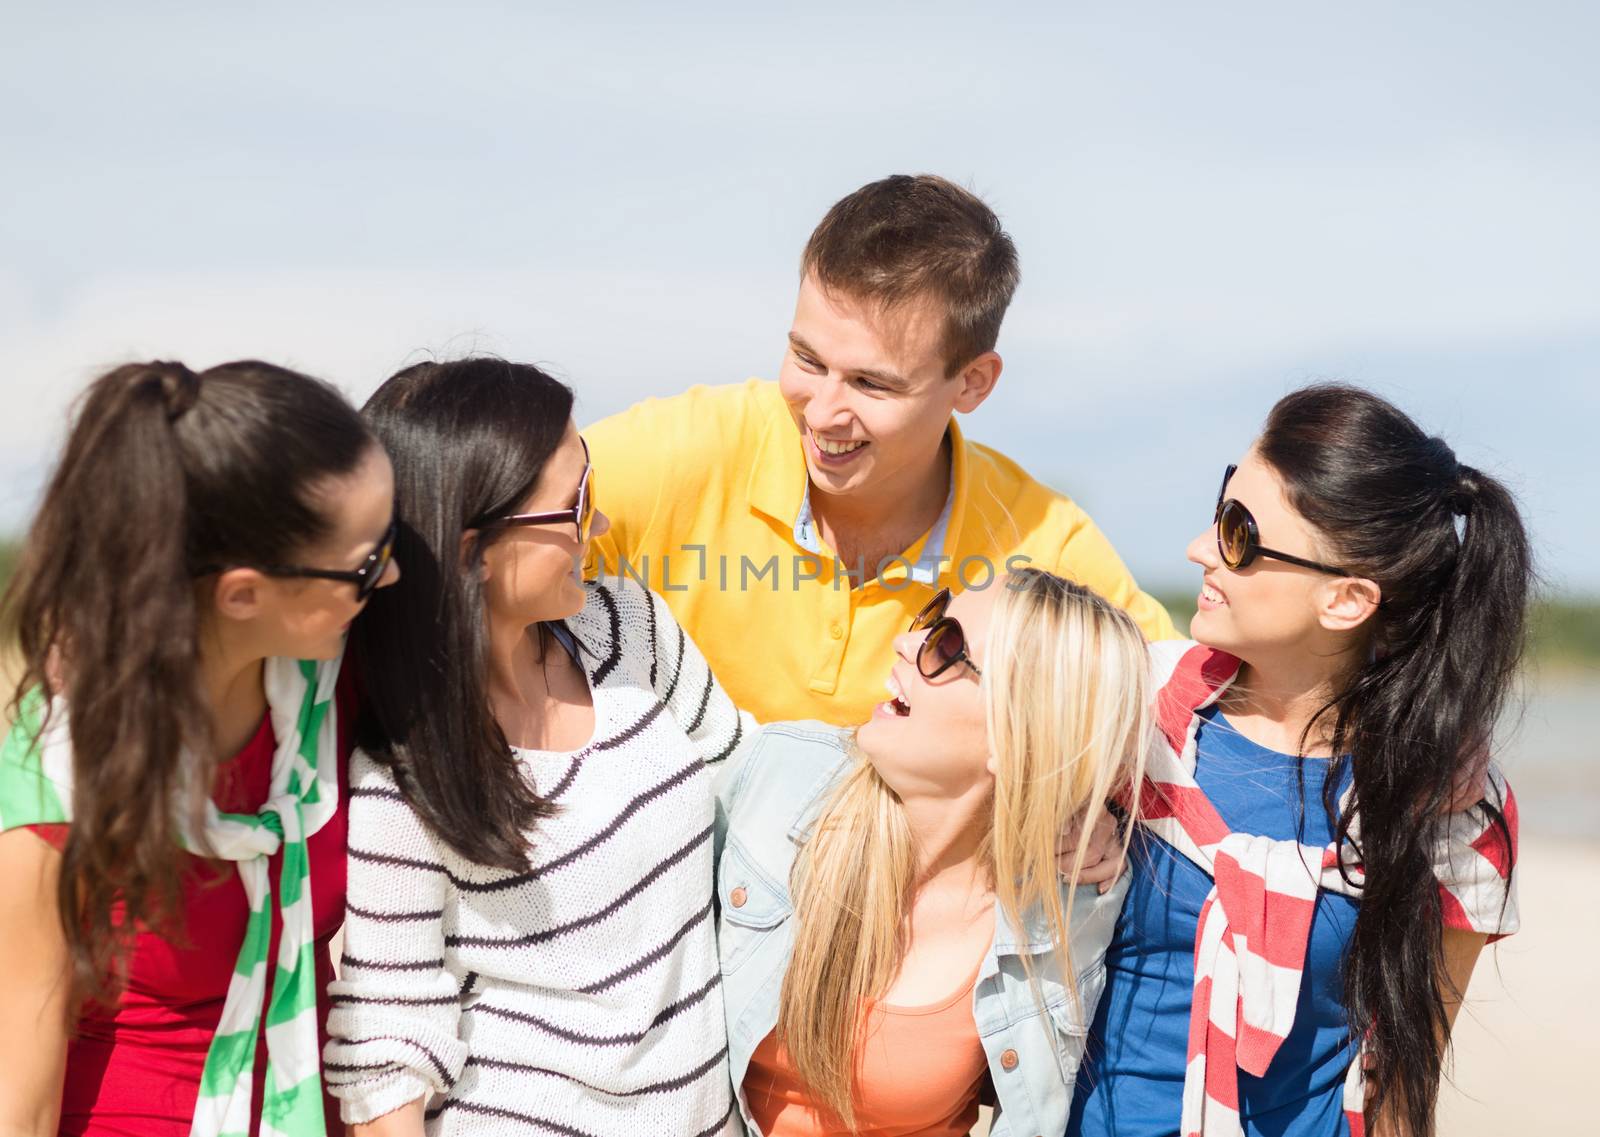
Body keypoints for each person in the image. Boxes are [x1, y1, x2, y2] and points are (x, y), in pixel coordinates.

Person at [1069, 384, 1525, 1137]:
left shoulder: (1447, 803)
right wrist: (1042, 826)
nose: (1199, 548)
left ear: (1346, 600)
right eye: (1222, 507)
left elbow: (1407, 1081)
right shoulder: (1127, 710)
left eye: (1239, 534)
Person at [322, 359, 745, 1136]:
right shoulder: (404, 778)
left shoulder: (631, 631)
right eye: (575, 506)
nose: (602, 525)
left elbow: (760, 793)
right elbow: (387, 1055)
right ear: (470, 551)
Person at [584, 174, 1176, 726]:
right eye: (807, 360)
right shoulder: (675, 454)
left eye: (872, 384)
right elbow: (495, 536)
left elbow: (1180, 711)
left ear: (973, 383)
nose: (820, 414)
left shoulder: (1045, 544)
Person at [0, 361, 398, 1137]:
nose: (392, 576)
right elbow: (21, 1101)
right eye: (365, 563)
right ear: (243, 594)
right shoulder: (54, 779)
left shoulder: (335, 690)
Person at [716, 570, 1153, 1136]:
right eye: (930, 617)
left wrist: (1107, 808)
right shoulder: (779, 778)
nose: (905, 640)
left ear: (1016, 735)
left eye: (946, 645)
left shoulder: (1073, 902)